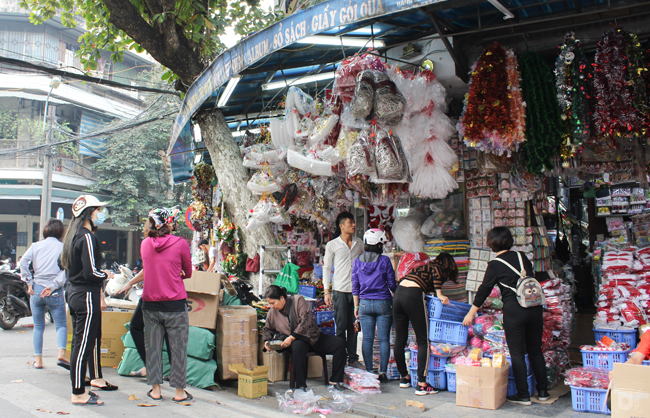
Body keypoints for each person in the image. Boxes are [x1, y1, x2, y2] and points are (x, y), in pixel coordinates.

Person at [462, 227, 549, 405]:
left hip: (515, 311)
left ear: (491, 243)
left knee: (517, 353)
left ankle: (523, 395)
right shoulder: (522, 256)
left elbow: (484, 290)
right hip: (534, 307)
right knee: (535, 350)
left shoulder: (495, 264)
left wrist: (471, 313)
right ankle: (542, 391)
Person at [60, 195, 116, 406]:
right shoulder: (87, 238)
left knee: (79, 343)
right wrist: (107, 275)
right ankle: (78, 393)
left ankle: (79, 389)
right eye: (99, 210)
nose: (101, 214)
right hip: (85, 296)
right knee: (83, 345)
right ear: (90, 213)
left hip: (74, 293)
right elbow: (92, 272)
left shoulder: (72, 237)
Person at [141, 206, 193, 403]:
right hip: (175, 304)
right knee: (178, 348)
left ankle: (155, 390)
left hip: (150, 304)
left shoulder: (145, 244)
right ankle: (180, 393)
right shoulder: (180, 243)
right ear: (169, 223)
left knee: (153, 348)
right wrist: (178, 273)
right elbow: (188, 272)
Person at [394, 252, 458, 396]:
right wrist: (440, 293)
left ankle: (404, 377)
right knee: (423, 341)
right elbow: (436, 273)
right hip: (413, 295)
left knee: (400, 340)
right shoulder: (436, 267)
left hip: (399, 294)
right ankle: (422, 384)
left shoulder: (422, 268)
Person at [262, 285, 347, 391]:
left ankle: (336, 380)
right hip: (297, 342)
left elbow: (306, 320)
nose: (272, 306)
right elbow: (267, 329)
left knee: (339, 343)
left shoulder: (298, 300)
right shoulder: (272, 313)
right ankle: (301, 385)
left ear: (282, 298)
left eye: (273, 303)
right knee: (298, 347)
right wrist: (266, 341)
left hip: (313, 337)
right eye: (269, 304)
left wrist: (292, 337)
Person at [20, 218, 69, 370]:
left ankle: (39, 361)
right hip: (54, 291)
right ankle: (61, 353)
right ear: (61, 232)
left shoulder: (36, 246)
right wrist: (54, 285)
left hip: (37, 289)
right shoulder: (63, 247)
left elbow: (23, 262)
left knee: (38, 326)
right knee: (61, 325)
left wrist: (29, 282)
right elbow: (66, 270)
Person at [352, 229, 397, 382]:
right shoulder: (384, 261)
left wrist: (356, 307)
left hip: (364, 304)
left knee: (367, 339)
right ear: (378, 244)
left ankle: (370, 371)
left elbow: (355, 286)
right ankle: (382, 372)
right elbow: (392, 284)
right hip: (383, 303)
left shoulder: (357, 261)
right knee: (384, 339)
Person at [323, 212, 364, 368]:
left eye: (354, 222)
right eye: (350, 222)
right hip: (339, 290)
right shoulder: (332, 245)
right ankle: (339, 357)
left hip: (356, 292)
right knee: (340, 326)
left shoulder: (359, 243)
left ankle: (353, 358)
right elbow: (326, 268)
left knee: (354, 326)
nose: (353, 225)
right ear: (341, 226)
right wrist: (327, 291)